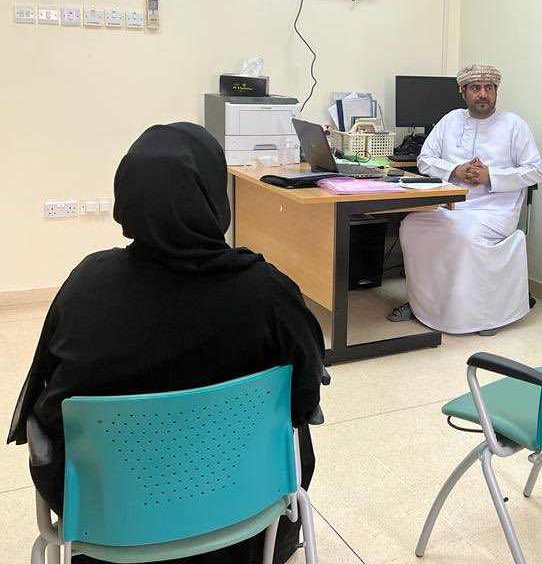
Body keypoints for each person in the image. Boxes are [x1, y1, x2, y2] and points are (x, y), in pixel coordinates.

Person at [7, 123, 325, 564]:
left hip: (109, 520)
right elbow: (305, 393)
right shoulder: (267, 292)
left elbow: (50, 395)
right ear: (214, 197)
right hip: (243, 510)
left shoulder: (86, 287)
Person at [392, 64, 542, 335]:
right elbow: (424, 159)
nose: (483, 94)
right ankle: (422, 304)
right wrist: (455, 170)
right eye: (475, 88)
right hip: (452, 205)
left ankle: (482, 317)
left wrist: (490, 176)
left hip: (495, 210)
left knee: (465, 235)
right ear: (463, 92)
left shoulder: (514, 125)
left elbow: (535, 171)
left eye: (489, 88)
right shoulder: (450, 120)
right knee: (412, 226)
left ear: (496, 92)